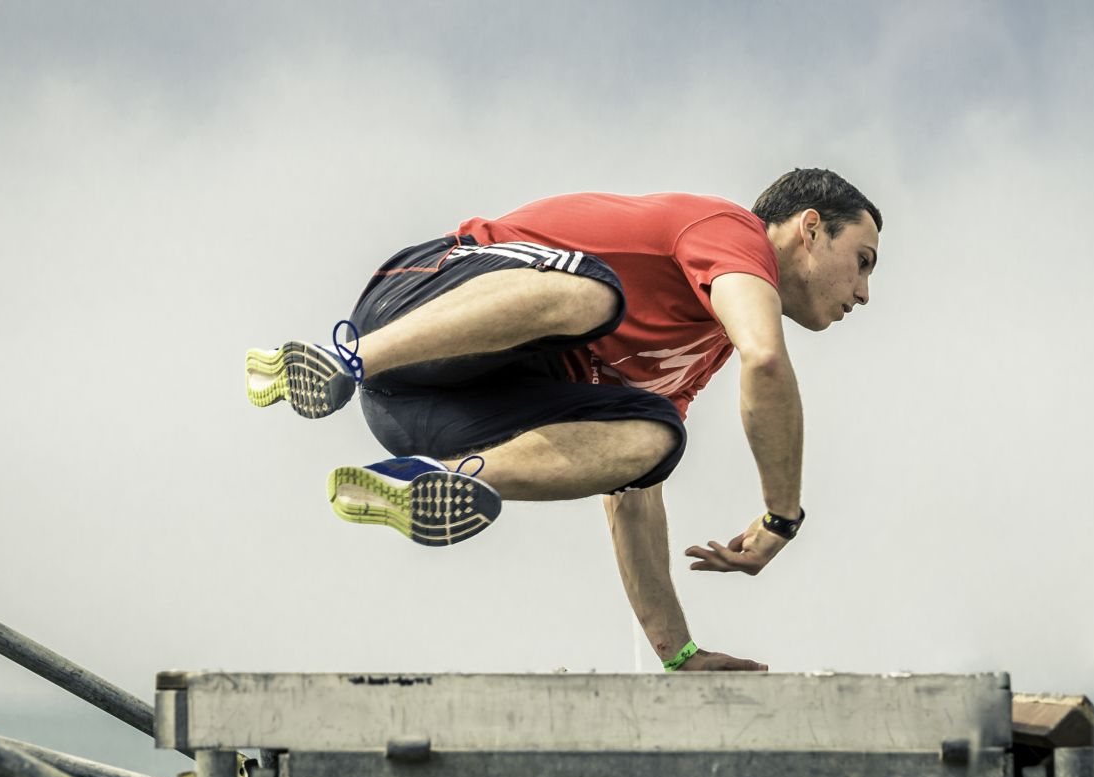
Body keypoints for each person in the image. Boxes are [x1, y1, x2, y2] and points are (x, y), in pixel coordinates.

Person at [245, 168, 881, 672]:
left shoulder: (696, 351)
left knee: (657, 435)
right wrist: (780, 517)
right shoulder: (730, 231)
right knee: (595, 293)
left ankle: (430, 477)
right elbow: (765, 359)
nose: (864, 293)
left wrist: (679, 655)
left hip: (424, 413)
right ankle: (339, 361)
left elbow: (633, 498)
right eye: (864, 260)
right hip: (418, 308)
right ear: (810, 228)